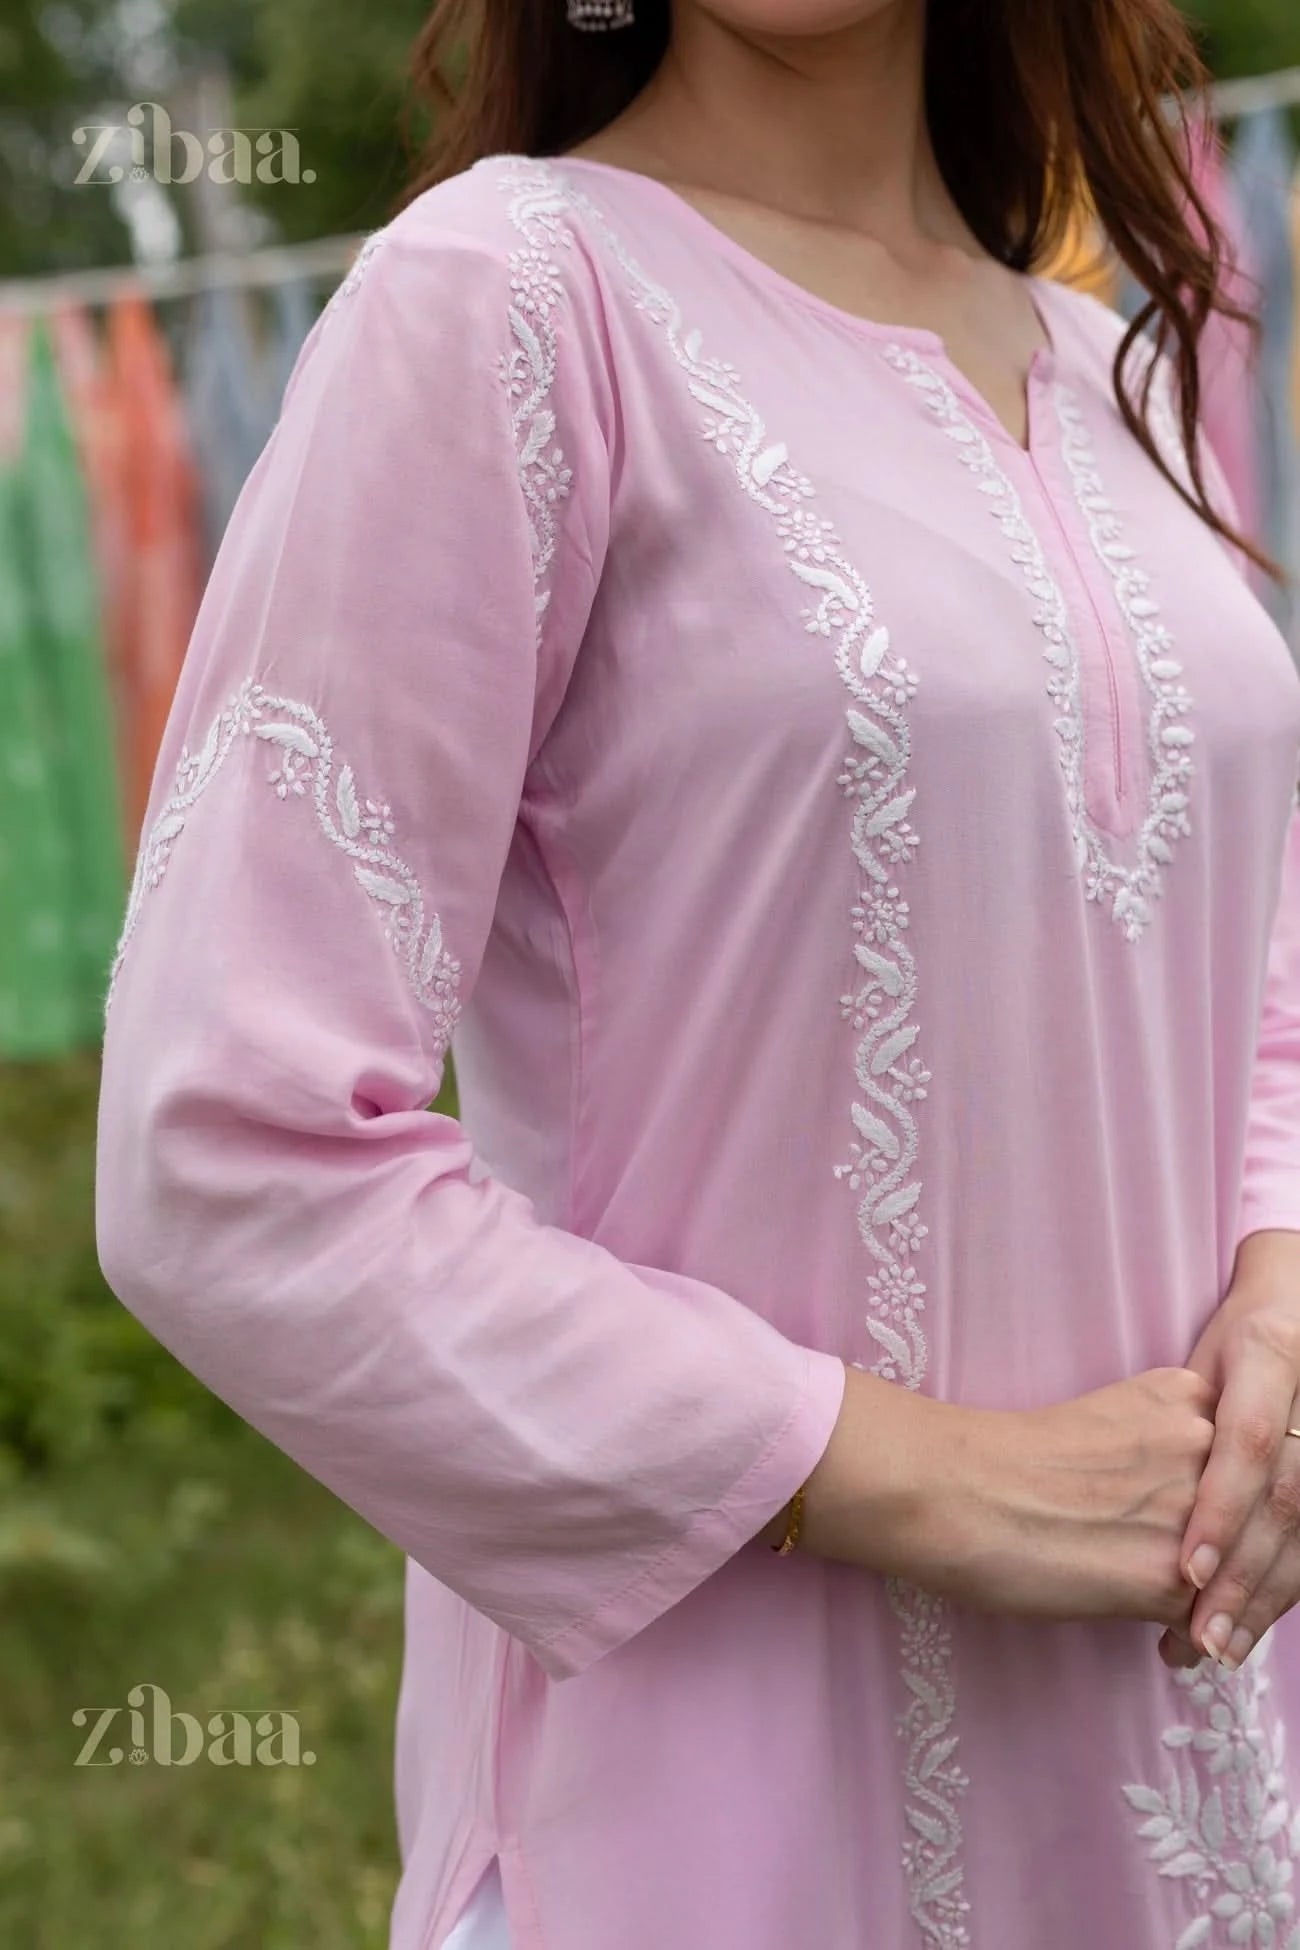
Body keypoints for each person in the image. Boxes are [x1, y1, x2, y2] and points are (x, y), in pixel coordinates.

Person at [94, 2, 1300, 1946]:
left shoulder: (1101, 364)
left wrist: (1282, 1277)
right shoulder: (501, 298)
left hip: (1190, 1763)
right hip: (714, 1825)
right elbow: (222, 1152)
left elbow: (1255, 979)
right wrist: (898, 1474)